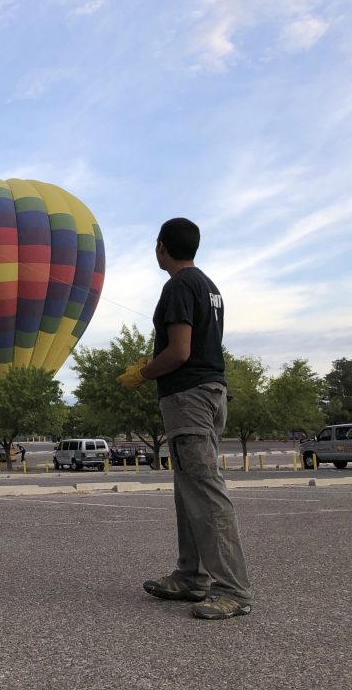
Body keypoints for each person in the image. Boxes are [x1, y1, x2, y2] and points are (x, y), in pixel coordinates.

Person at [116, 217, 253, 620]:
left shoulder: (176, 286)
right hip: (212, 393)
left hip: (189, 397)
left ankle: (233, 591)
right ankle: (191, 577)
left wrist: (143, 373)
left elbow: (179, 352)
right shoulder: (209, 287)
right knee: (189, 487)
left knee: (206, 491)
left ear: (161, 246)